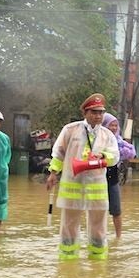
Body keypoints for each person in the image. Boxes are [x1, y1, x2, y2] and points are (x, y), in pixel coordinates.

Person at [46, 93, 119, 260]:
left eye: (101, 112)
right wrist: (53, 174)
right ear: (85, 113)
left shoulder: (107, 135)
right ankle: (67, 259)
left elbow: (115, 157)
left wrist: (103, 157)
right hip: (73, 185)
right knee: (69, 224)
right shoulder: (70, 130)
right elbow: (58, 153)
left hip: (97, 189)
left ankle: (98, 261)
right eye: (94, 112)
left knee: (98, 226)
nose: (98, 116)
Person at [101, 112, 136, 238]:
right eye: (111, 125)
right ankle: (100, 234)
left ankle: (118, 237)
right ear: (104, 125)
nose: (114, 128)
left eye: (116, 125)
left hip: (112, 174)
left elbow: (131, 152)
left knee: (116, 209)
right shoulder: (97, 140)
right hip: (97, 175)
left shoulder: (119, 141)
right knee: (99, 209)